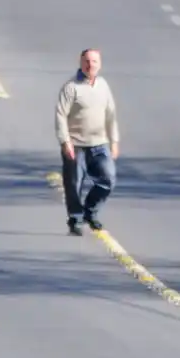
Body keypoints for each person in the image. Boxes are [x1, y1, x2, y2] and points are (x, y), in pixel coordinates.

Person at [55, 48, 120, 235]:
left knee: (108, 179)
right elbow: (61, 116)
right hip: (76, 144)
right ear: (81, 63)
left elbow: (111, 115)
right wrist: (65, 142)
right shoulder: (71, 88)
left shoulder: (103, 85)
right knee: (74, 183)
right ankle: (75, 219)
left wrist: (114, 141)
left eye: (94, 62)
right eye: (87, 61)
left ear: (100, 65)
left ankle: (90, 212)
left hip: (100, 145)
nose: (90, 65)